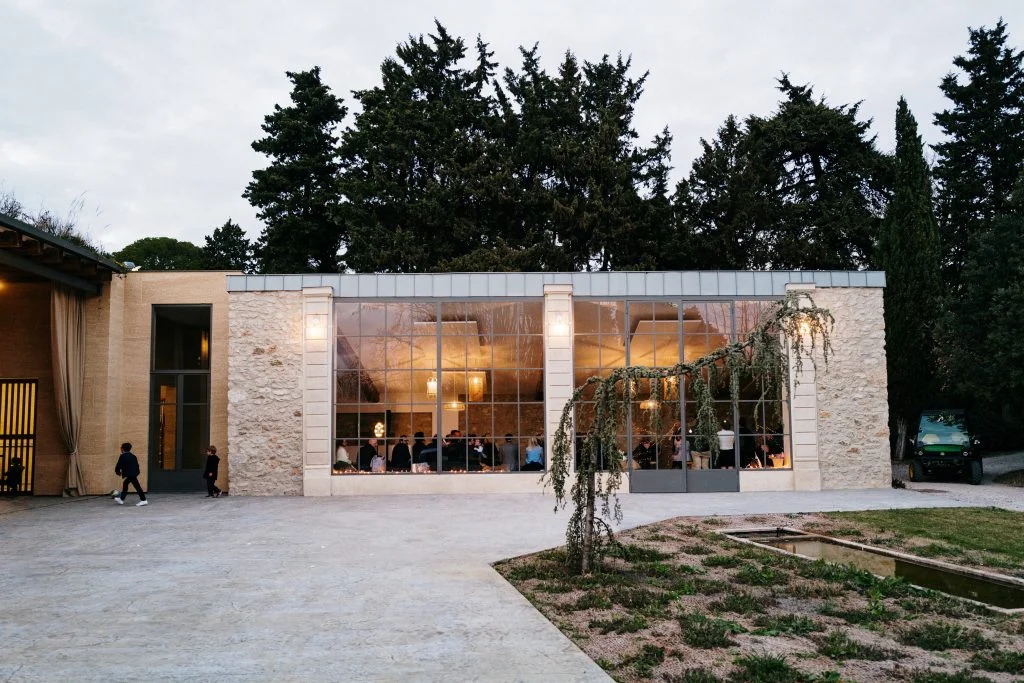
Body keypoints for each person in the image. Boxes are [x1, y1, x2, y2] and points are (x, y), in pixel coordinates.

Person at [113, 442, 148, 506]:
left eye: (121, 447)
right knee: (125, 483)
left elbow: (118, 465)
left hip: (131, 474)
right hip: (134, 473)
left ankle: (143, 500)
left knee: (137, 486)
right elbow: (137, 465)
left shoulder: (123, 456)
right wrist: (136, 472)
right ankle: (121, 499)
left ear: (122, 449)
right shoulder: (133, 456)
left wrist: (117, 472)